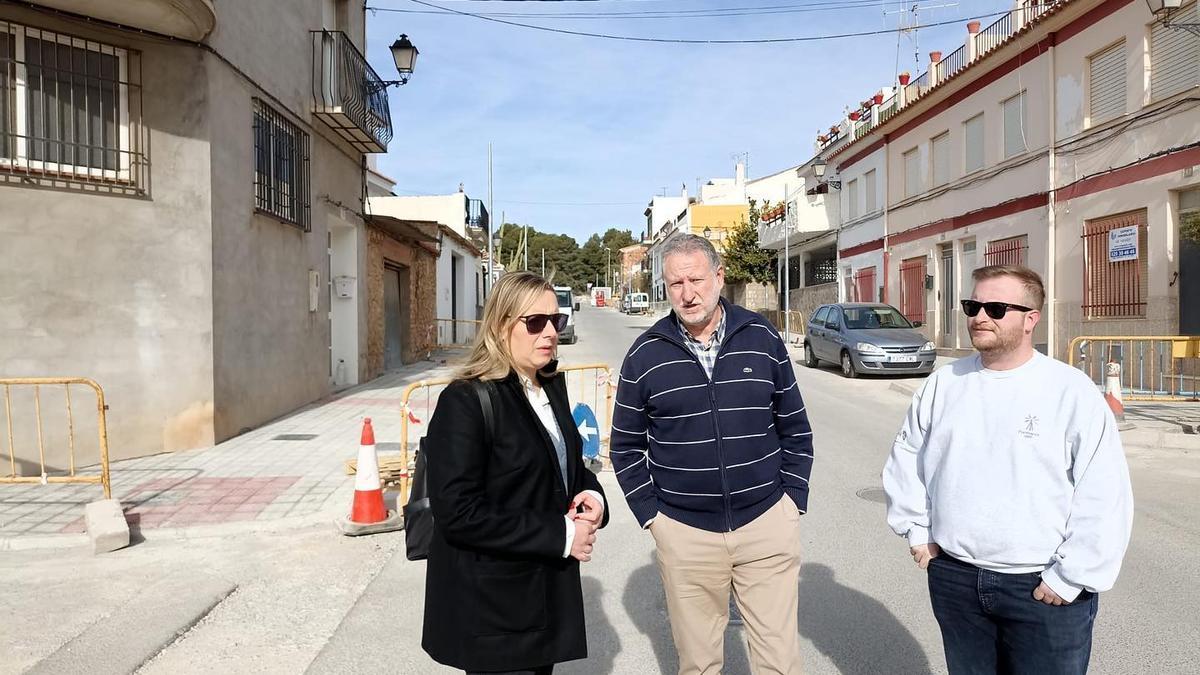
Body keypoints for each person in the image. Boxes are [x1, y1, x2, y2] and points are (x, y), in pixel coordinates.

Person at [883, 264, 1134, 675]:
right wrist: (918, 531)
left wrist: (1069, 578)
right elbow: (907, 456)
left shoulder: (1070, 391)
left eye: (996, 308)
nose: (980, 316)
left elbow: (1105, 492)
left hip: (1041, 588)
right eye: (973, 305)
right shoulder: (943, 384)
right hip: (957, 580)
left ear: (1030, 319)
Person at [611, 234, 813, 675]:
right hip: (685, 533)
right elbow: (625, 447)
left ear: (719, 277)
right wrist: (653, 517)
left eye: (696, 279)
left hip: (765, 525)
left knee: (780, 662)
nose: (687, 293)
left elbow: (795, 425)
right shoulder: (645, 355)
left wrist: (791, 500)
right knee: (699, 665)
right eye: (675, 283)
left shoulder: (761, 338)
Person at [422, 271, 609, 675]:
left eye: (555, 321)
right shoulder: (467, 400)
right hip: (496, 612)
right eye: (535, 322)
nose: (550, 333)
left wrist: (593, 497)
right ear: (501, 325)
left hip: (543, 600)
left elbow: (569, 468)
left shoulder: (549, 388)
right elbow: (458, 513)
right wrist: (562, 535)